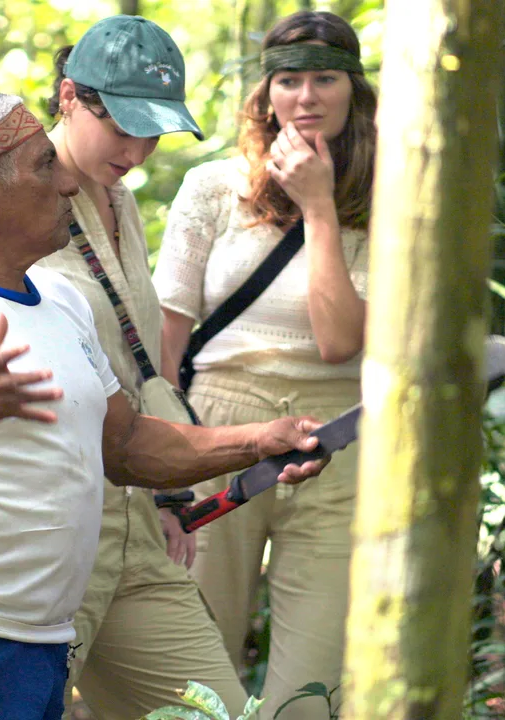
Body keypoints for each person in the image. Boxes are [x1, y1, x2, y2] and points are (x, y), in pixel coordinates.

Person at [0, 91, 328, 720]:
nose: (68, 182)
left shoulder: (61, 303)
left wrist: (259, 442)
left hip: (44, 642)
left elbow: (125, 446)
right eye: (44, 165)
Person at [154, 11, 375, 720]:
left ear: (354, 91)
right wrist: (159, 471)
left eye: (324, 79)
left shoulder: (393, 198)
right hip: (219, 429)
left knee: (315, 684)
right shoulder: (214, 189)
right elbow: (166, 344)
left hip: (337, 442)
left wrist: (318, 206)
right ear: (266, 93)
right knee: (192, 667)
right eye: (289, 81)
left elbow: (342, 341)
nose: (306, 97)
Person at [30, 15, 249, 719]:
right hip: (52, 533)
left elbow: (133, 358)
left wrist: (168, 494)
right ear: (69, 96)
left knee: (214, 708)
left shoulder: (118, 196)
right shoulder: (14, 197)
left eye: (152, 131)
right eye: (121, 125)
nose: (136, 150)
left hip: (136, 526)